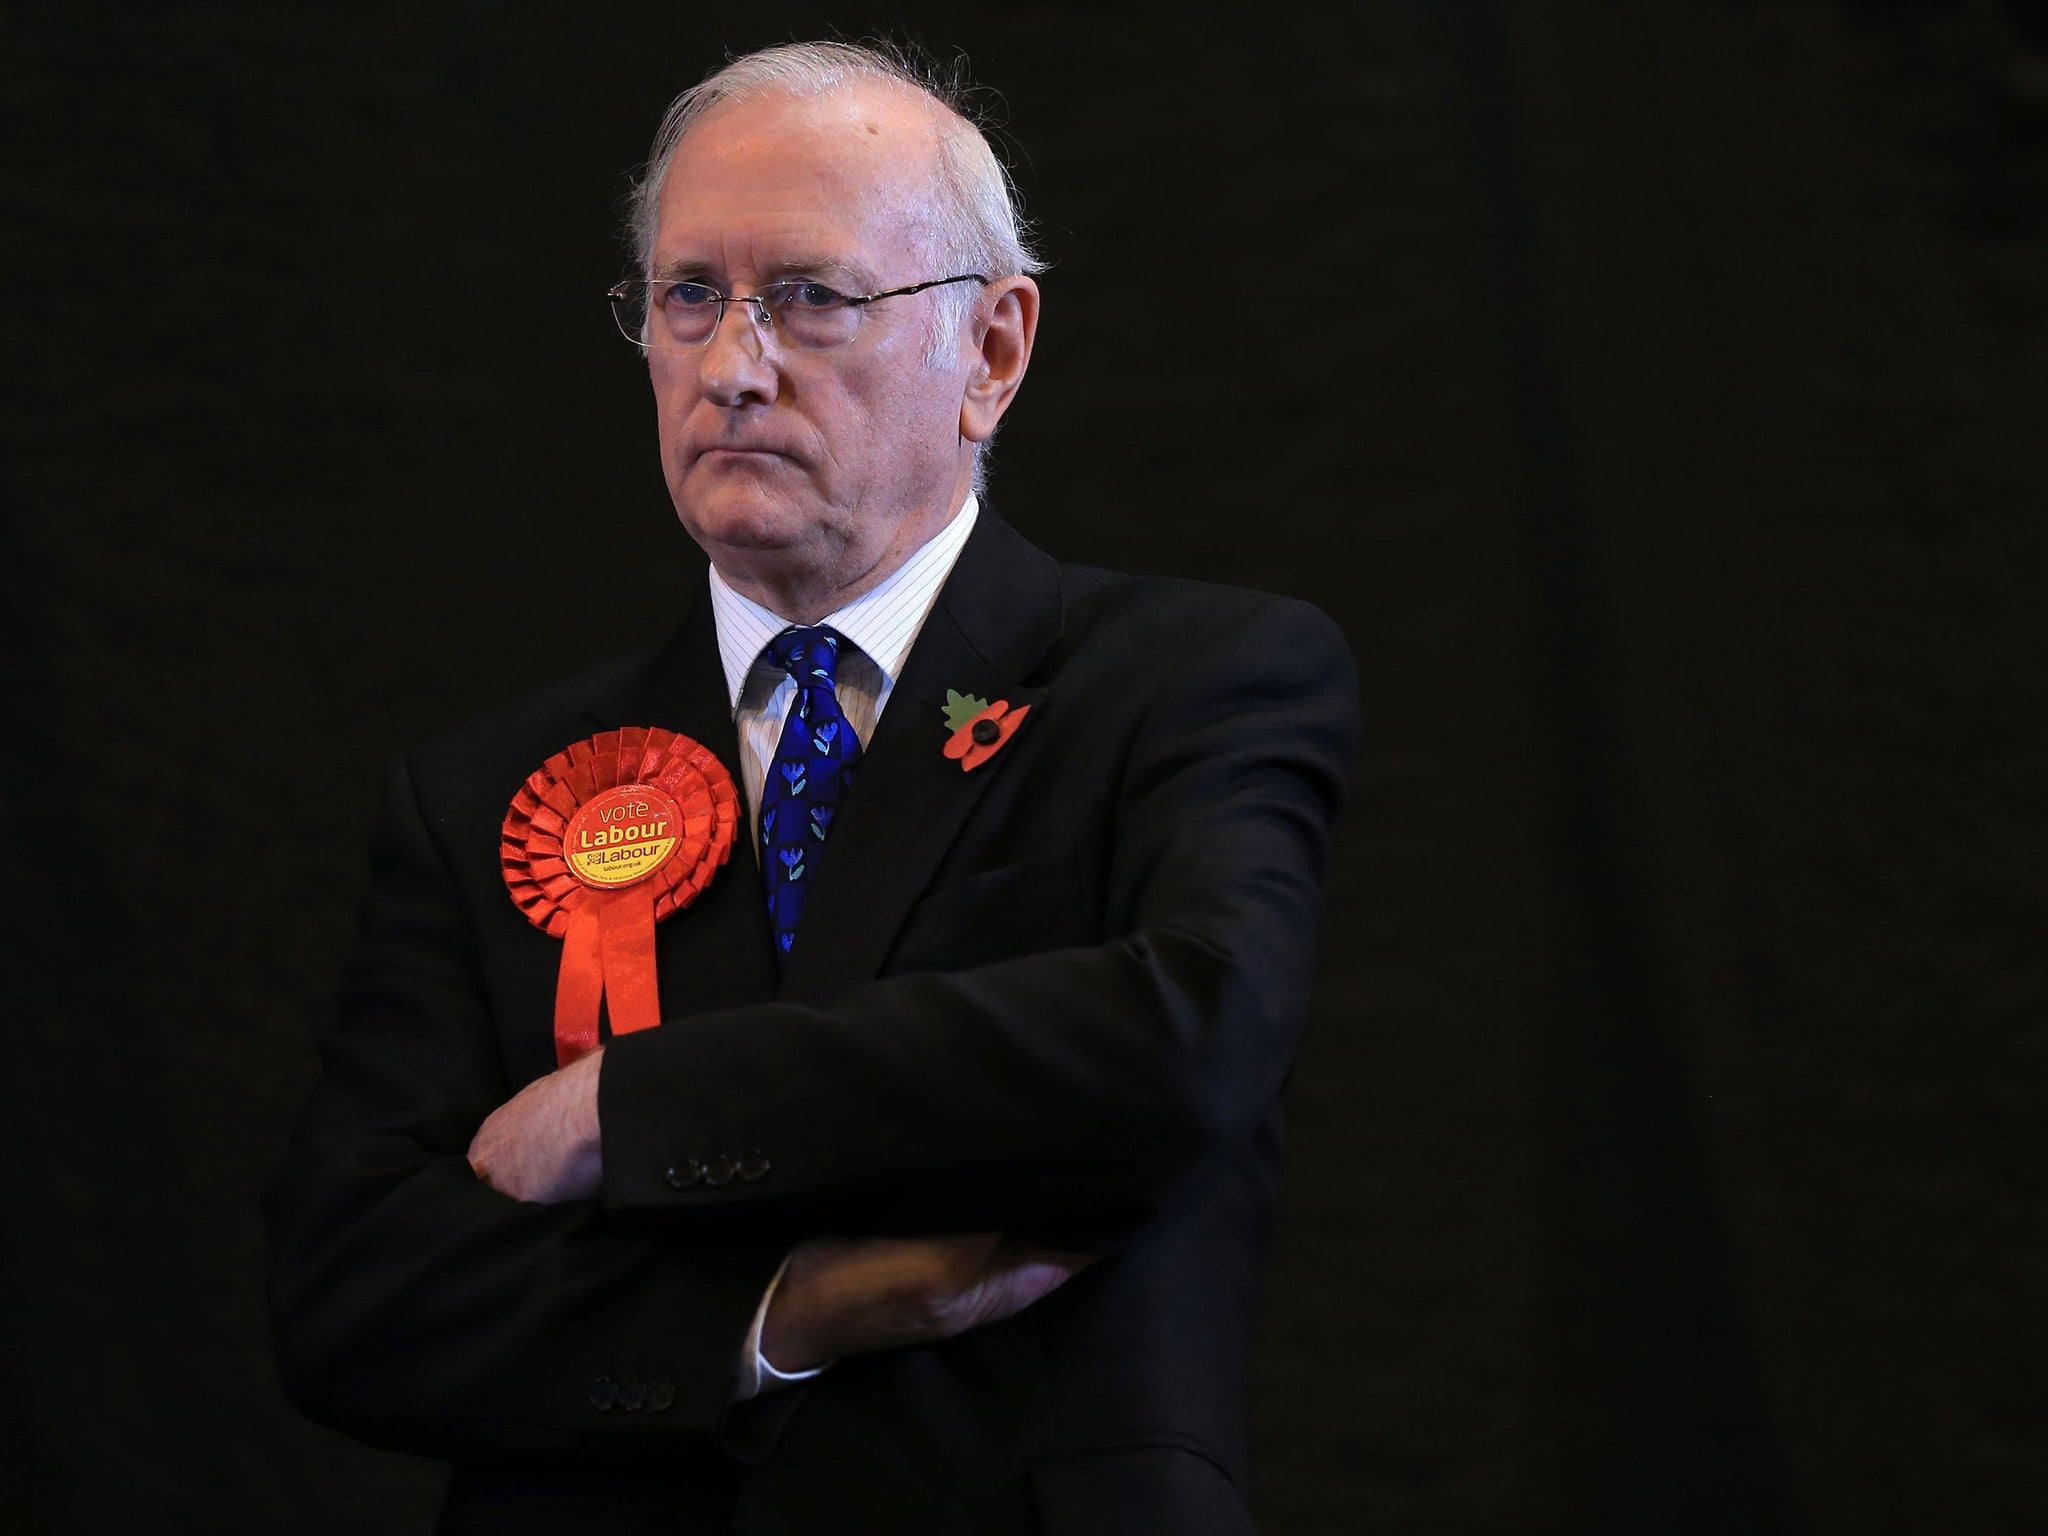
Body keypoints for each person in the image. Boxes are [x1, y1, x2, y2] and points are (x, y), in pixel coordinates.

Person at [266, 40, 1359, 1536]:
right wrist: (786, 1312)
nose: (732, 363)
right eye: (689, 297)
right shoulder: (483, 797)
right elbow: (354, 1291)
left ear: (992, 353)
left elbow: (1187, 1034)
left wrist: (634, 1106)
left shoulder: (1189, 681)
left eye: (812, 297)